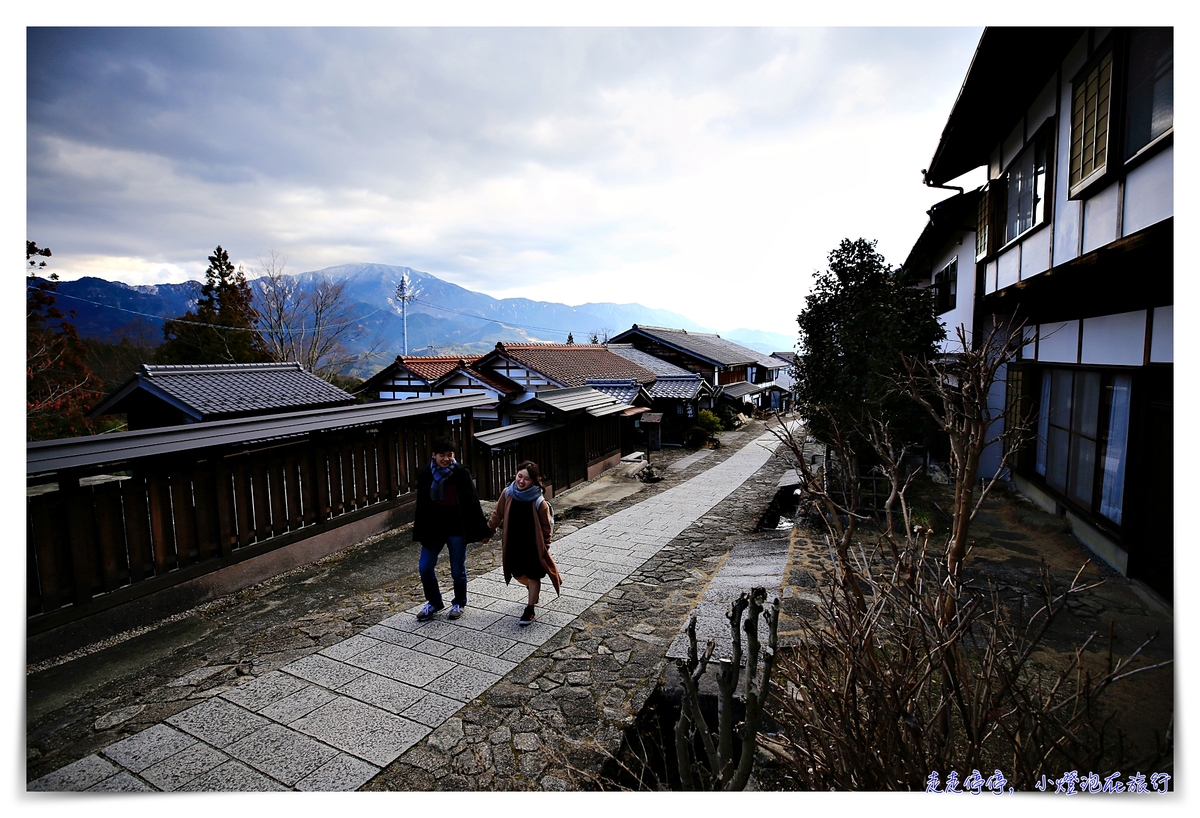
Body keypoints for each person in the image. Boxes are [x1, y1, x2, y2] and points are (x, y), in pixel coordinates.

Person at [412, 436, 490, 621]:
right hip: (434, 528)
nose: (446, 459)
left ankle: (459, 602)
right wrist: (420, 531)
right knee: (425, 567)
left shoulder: (461, 472)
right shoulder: (425, 473)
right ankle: (434, 602)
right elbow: (421, 505)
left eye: (450, 455)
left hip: (456, 527)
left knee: (457, 570)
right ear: (434, 455)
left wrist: (483, 530)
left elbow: (472, 501)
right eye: (442, 455)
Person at [486, 460, 562, 626]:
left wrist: (546, 546)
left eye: (526, 479)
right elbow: (497, 514)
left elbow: (546, 527)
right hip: (514, 542)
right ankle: (531, 590)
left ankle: (530, 608)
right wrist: (489, 531)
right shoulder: (508, 493)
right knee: (518, 574)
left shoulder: (539, 502)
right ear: (516, 475)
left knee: (534, 575)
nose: (521, 481)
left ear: (534, 481)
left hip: (533, 545)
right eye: (520, 476)